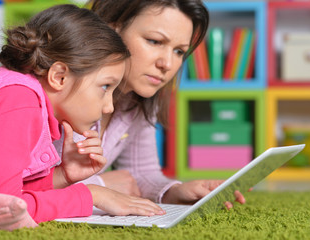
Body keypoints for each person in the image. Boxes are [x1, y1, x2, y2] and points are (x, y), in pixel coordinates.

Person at [55, 0, 246, 207]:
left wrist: (174, 192)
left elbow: (141, 172)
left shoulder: (136, 99)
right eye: (155, 41)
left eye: (179, 51)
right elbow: (25, 182)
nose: (167, 64)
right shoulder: (63, 89)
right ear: (110, 30)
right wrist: (100, 186)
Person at [0, 4, 164, 231]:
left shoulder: (27, 100)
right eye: (105, 86)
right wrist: (90, 195)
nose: (109, 107)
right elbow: (4, 211)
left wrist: (63, 176)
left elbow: (13, 195)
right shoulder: (19, 100)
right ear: (59, 77)